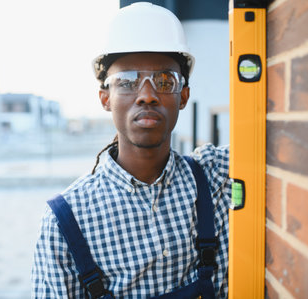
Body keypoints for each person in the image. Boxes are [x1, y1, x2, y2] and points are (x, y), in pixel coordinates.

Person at [31, 2, 231, 298]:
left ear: (184, 95)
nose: (147, 95)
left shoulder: (217, 178)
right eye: (127, 81)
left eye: (165, 80)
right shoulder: (66, 223)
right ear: (105, 98)